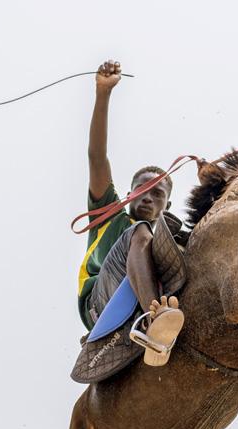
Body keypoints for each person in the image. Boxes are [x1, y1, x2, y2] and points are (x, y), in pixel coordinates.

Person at [77, 59, 184, 365]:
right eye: (141, 190)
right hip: (100, 302)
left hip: (137, 301)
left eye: (157, 194)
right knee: (138, 232)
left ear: (167, 206)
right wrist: (103, 93)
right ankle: (156, 318)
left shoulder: (164, 233)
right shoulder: (112, 213)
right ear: (127, 195)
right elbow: (96, 156)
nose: (148, 198)